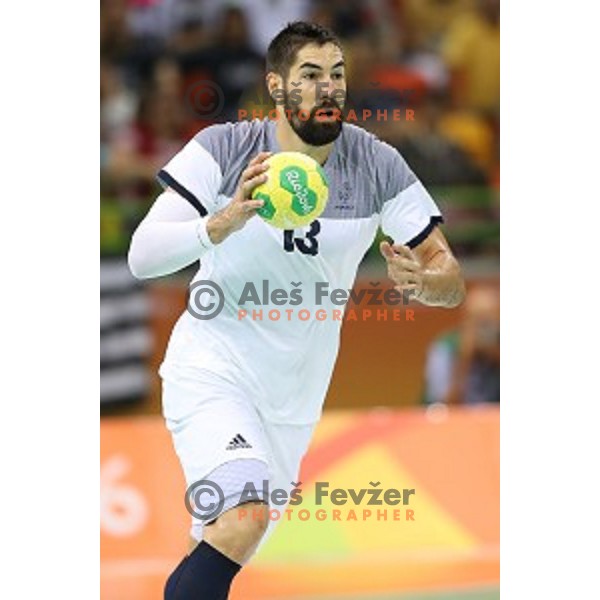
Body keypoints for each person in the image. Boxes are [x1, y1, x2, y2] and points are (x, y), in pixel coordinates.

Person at [128, 21, 465, 600]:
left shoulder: (377, 164)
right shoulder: (226, 149)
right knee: (244, 518)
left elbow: (449, 276)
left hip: (292, 404)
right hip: (214, 368)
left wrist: (425, 281)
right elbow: (142, 256)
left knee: (218, 541)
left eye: (337, 75)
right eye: (310, 76)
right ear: (277, 87)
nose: (328, 88)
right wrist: (220, 223)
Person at [424, 283, 499, 405]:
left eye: (490, 321)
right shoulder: (446, 346)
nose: (485, 330)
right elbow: (442, 403)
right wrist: (464, 358)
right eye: (480, 322)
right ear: (466, 320)